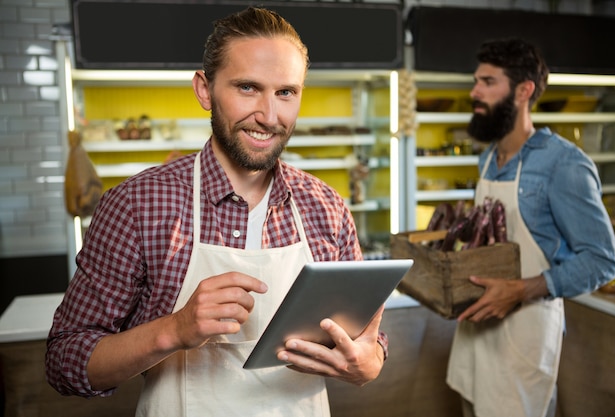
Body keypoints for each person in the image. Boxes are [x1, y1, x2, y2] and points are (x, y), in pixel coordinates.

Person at [46, 7, 388, 416]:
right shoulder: (138, 204)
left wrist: (370, 363)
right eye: (247, 88)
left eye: (286, 92)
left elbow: (368, 340)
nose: (269, 116)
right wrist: (174, 329)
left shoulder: (326, 207)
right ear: (204, 90)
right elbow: (65, 361)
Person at [446, 38, 615, 417]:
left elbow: (603, 261)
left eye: (488, 82)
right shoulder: (488, 159)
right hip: (476, 336)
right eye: (476, 80)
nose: (475, 92)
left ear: (524, 91)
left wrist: (520, 290)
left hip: (523, 340)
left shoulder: (563, 164)